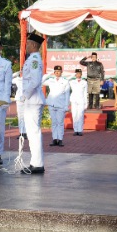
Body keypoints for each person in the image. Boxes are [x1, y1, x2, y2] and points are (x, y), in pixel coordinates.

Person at [19, 33, 45, 174]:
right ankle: (35, 162)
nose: (26, 46)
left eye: (28, 44)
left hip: (33, 100)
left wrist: (25, 95)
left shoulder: (35, 59)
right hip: (31, 101)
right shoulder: (32, 59)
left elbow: (34, 81)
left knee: (34, 132)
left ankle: (37, 164)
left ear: (34, 45)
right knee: (31, 132)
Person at [42, 65, 70, 147]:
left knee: (60, 123)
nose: (57, 73)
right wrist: (48, 74)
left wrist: (66, 106)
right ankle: (54, 139)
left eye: (59, 71)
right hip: (51, 104)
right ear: (54, 72)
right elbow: (40, 81)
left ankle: (60, 139)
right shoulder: (50, 80)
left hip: (61, 105)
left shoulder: (65, 81)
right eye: (56, 71)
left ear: (61, 72)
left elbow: (67, 95)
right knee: (54, 123)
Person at [69, 68, 88, 136]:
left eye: (79, 73)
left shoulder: (84, 82)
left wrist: (86, 103)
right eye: (76, 73)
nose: (78, 75)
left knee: (80, 115)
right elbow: (66, 80)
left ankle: (80, 130)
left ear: (81, 74)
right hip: (74, 100)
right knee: (74, 115)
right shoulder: (72, 82)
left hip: (81, 100)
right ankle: (75, 130)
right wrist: (72, 75)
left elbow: (85, 93)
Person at [12, 71, 27, 139]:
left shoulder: (30, 79)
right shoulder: (17, 79)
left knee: (26, 116)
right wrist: (15, 74)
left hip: (27, 99)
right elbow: (8, 79)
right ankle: (21, 132)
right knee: (20, 117)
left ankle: (26, 132)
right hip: (19, 99)